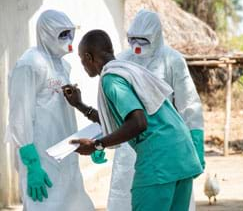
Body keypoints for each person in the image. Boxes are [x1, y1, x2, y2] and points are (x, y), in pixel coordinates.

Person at [64, 29, 203, 211]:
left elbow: (138, 122)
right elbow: (119, 119)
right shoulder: (129, 70)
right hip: (181, 155)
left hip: (158, 161)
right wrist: (80, 105)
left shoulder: (111, 79)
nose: (83, 65)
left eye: (82, 60)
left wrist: (97, 144)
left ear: (88, 57)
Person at [107, 9, 205, 211]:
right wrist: (104, 135)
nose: (137, 46)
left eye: (144, 40)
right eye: (133, 39)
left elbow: (189, 104)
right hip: (130, 145)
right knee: (125, 199)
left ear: (156, 37)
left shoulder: (172, 60)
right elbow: (114, 103)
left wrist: (197, 143)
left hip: (166, 145)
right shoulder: (122, 60)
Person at [7, 10, 94, 211]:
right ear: (46, 34)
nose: (69, 40)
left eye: (70, 33)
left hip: (65, 154)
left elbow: (61, 111)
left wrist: (96, 143)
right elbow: (19, 115)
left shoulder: (62, 65)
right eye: (62, 34)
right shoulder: (29, 64)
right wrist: (32, 162)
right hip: (40, 158)